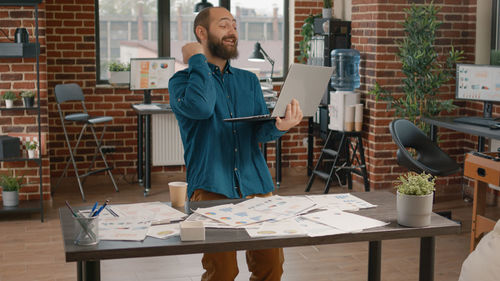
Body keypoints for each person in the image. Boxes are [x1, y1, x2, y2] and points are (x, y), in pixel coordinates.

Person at [169, 6, 303, 281]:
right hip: (210, 187)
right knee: (222, 272)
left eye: (234, 25)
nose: (232, 31)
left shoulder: (248, 80)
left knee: (271, 267)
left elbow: (256, 133)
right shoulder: (180, 82)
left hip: (257, 184)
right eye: (223, 25)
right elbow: (202, 107)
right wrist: (196, 59)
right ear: (201, 33)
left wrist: (280, 127)